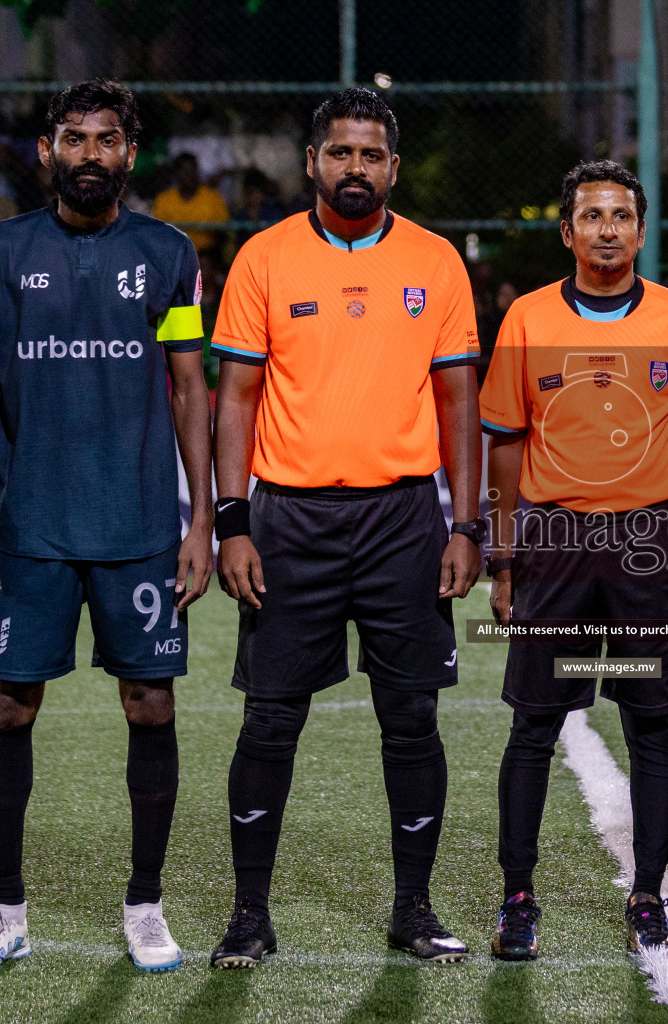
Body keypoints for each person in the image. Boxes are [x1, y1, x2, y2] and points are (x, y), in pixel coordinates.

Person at [207, 87, 483, 969]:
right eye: (340, 153)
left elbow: (459, 403)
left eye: (370, 155)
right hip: (289, 520)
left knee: (411, 719)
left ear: (392, 168)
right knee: (270, 722)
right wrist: (231, 522)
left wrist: (467, 525)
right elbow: (236, 399)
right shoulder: (265, 258)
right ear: (314, 162)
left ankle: (413, 907)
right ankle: (250, 914)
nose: (354, 167)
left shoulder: (437, 262)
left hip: (403, 517)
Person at [0, 78, 214, 974]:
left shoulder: (170, 253)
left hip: (139, 523)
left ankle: (145, 904)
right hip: (28, 528)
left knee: (151, 702)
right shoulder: (1, 249)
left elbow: (188, 385)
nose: (90, 153)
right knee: (9, 706)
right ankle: (5, 911)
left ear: (129, 154)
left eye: (107, 139)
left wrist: (201, 521)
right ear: (47, 151)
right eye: (75, 138)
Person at [480, 160, 668, 960]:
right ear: (568, 230)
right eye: (592, 216)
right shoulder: (527, 319)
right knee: (535, 723)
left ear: (641, 230)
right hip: (554, 546)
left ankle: (648, 898)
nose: (607, 229)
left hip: (643, 551)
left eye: (621, 216)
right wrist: (503, 559)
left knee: (651, 723)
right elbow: (506, 445)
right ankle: (518, 895)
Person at [152, 152, 231, 258]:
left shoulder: (213, 198)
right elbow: (159, 235)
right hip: (175, 256)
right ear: (176, 173)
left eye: (191, 170)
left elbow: (223, 235)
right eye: (183, 170)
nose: (188, 174)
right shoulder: (164, 200)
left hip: (208, 257)